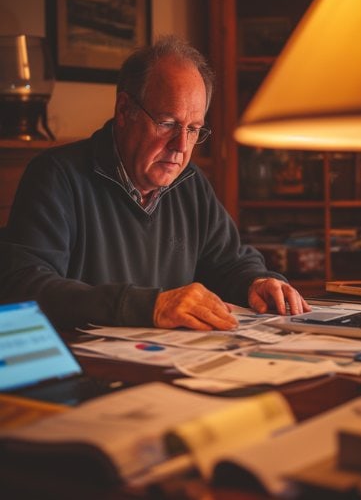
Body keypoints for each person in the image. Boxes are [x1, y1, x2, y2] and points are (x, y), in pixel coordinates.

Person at [0, 35, 310, 330]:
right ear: (125, 111)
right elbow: (25, 286)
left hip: (172, 362)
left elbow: (229, 262)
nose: (181, 146)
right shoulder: (57, 176)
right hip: (82, 366)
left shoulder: (190, 183)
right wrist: (149, 306)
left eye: (193, 129)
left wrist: (257, 281)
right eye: (167, 124)